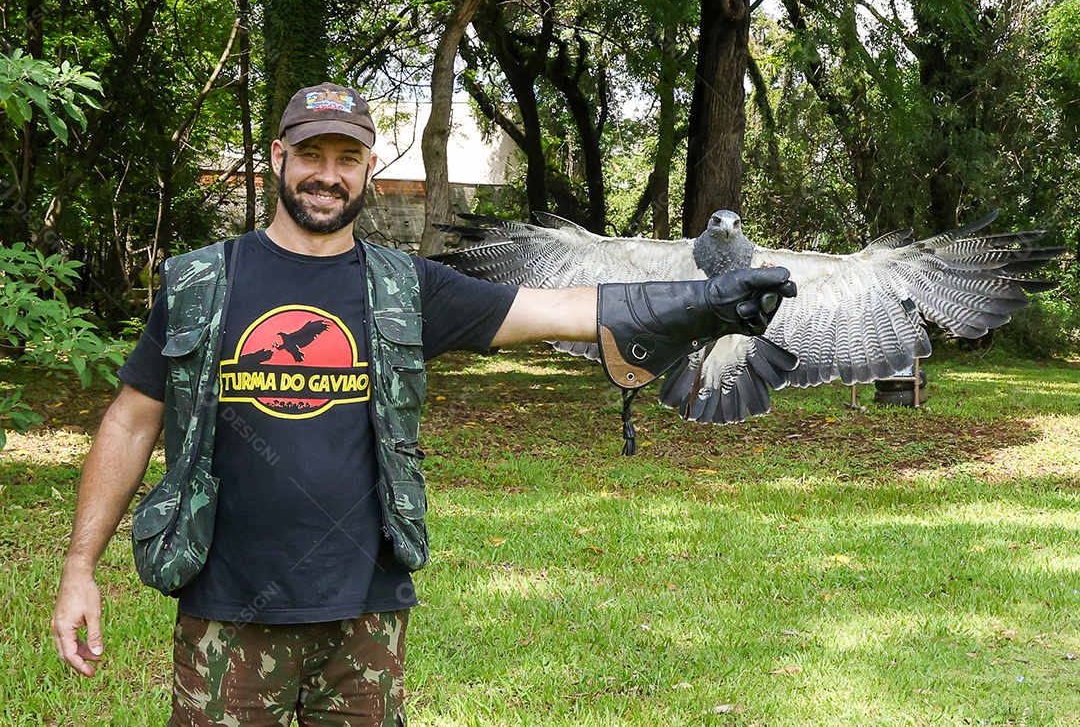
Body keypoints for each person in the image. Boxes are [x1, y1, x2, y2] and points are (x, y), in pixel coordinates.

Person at [51, 82, 794, 726]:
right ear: (279, 157)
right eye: (311, 156)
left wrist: (704, 303)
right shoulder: (201, 283)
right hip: (225, 610)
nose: (327, 176)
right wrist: (81, 566)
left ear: (370, 170)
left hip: (367, 613)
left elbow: (558, 308)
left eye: (347, 159)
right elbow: (130, 418)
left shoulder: (405, 288)